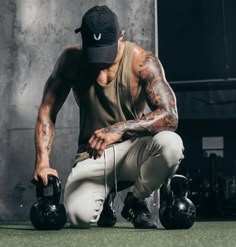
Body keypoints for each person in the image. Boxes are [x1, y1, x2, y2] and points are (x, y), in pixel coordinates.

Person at [33, 5, 184, 229]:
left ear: (121, 36)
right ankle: (105, 197)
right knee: (78, 217)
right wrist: (43, 162)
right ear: (82, 39)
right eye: (93, 50)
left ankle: (136, 199)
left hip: (134, 150)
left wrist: (119, 129)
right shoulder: (71, 61)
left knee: (171, 144)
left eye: (106, 51)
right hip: (93, 154)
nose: (100, 63)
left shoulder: (142, 62)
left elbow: (170, 116)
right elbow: (47, 111)